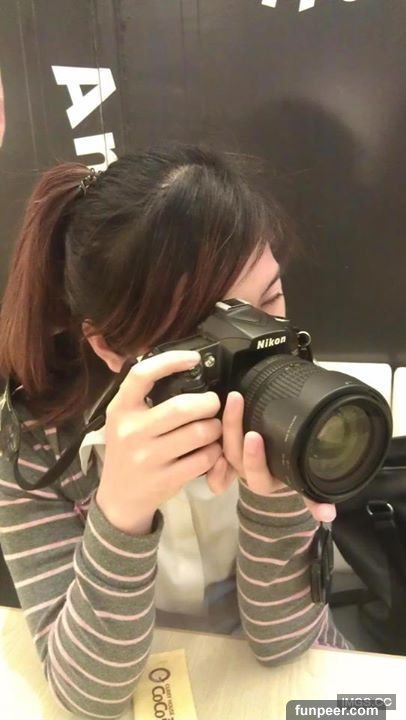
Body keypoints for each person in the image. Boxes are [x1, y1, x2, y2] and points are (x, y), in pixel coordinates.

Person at [0, 146, 349, 720]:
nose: (255, 346)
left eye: (269, 299)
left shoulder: (290, 394)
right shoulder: (38, 446)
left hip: (283, 682)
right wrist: (121, 512)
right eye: (207, 334)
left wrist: (275, 493)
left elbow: (286, 646)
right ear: (109, 347)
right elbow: (89, 695)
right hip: (140, 685)